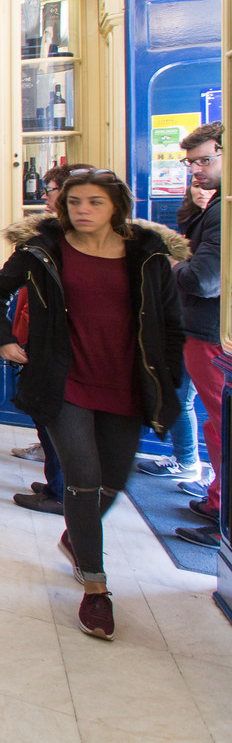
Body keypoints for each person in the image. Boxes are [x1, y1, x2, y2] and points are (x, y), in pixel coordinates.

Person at [0, 169, 184, 640]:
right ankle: (96, 587)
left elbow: (170, 325)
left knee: (113, 482)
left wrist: (167, 379)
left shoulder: (148, 254)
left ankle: (77, 534)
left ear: (117, 207)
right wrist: (5, 340)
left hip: (128, 383)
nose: (82, 211)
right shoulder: (44, 249)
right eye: (73, 202)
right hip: (64, 381)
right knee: (84, 479)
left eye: (94, 202)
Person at [6, 163, 95, 513]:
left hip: (60, 345)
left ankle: (61, 492)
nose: (45, 197)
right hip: (38, 336)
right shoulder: (45, 238)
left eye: (51, 190)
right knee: (46, 419)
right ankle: (57, 483)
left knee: (56, 419)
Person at [136, 185, 214, 482]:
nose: (202, 191)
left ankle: (188, 463)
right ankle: (186, 460)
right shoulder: (194, 227)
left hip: (204, 330)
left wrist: (172, 263)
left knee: (181, 398)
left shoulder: (212, 228)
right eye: (195, 184)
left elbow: (201, 281)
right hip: (184, 324)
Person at [174, 123, 225, 548]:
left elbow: (204, 279)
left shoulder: (224, 210)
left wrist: (168, 264)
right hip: (206, 331)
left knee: (222, 426)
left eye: (204, 160)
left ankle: (223, 518)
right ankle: (215, 500)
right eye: (191, 162)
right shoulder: (213, 206)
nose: (195, 170)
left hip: (211, 334)